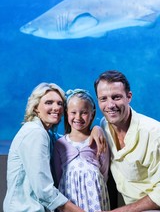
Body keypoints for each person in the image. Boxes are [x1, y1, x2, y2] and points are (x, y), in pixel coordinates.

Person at [3, 82, 106, 212]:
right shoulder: (35, 133)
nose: (56, 107)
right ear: (35, 107)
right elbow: (44, 190)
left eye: (60, 103)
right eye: (49, 102)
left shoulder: (47, 134)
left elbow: (72, 140)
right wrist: (78, 211)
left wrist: (96, 129)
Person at [94, 70, 160, 212]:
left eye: (116, 97)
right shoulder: (104, 126)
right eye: (103, 99)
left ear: (129, 97)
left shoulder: (154, 134)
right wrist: (95, 129)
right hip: (121, 204)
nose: (110, 105)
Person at [53, 89, 110, 212]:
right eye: (73, 112)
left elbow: (104, 170)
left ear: (92, 114)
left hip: (95, 196)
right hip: (69, 197)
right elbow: (58, 175)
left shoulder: (98, 139)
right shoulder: (60, 144)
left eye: (84, 112)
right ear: (67, 113)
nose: (78, 117)